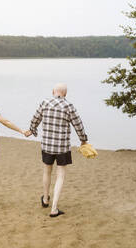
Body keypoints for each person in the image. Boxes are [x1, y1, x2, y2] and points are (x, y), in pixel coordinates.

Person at [25, 83, 88, 217]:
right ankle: (54, 209)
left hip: (47, 145)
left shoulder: (45, 103)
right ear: (65, 94)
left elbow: (35, 119)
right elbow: (78, 125)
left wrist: (32, 130)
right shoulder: (69, 106)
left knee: (47, 171)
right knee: (60, 176)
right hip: (62, 147)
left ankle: (46, 199)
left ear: (53, 91)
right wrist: (83, 140)